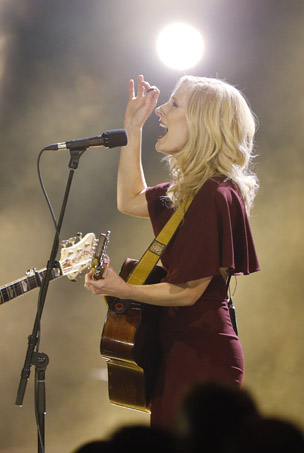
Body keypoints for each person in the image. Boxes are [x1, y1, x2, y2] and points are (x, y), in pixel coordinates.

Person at [84, 74, 260, 429]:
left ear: (203, 123)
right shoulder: (194, 191)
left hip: (201, 355)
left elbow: (188, 291)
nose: (160, 110)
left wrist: (123, 289)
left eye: (174, 104)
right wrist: (132, 128)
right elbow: (129, 199)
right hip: (178, 347)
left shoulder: (214, 193)